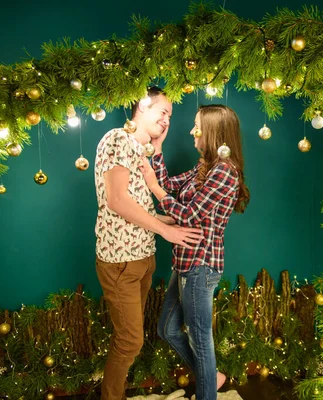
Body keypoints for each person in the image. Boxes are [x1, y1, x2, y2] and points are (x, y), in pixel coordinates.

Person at [94, 86, 204, 400]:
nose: (168, 119)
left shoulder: (140, 150)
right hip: (120, 261)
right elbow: (116, 200)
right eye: (163, 112)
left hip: (143, 258)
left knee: (129, 338)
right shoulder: (118, 140)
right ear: (143, 106)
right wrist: (164, 230)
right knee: (130, 341)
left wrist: (173, 221)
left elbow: (142, 203)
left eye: (170, 115)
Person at [140, 104, 250, 400]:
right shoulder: (206, 167)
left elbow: (188, 214)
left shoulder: (225, 173)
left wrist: (154, 188)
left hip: (201, 266)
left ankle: (207, 390)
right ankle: (211, 376)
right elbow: (167, 185)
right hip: (185, 263)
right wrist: (157, 149)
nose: (191, 131)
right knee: (167, 330)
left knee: (201, 340)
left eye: (197, 126)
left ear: (213, 132)